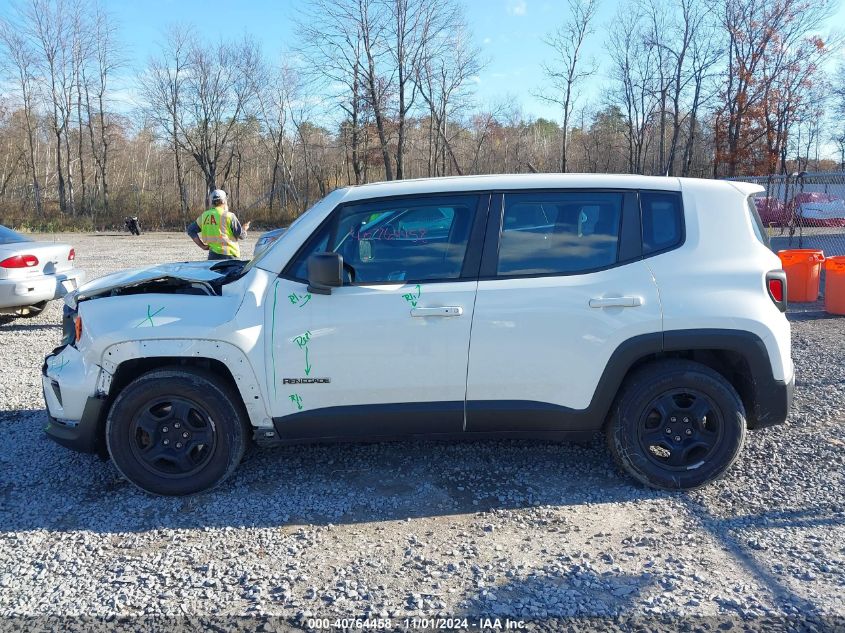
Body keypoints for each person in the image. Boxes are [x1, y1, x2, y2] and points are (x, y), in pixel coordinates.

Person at [187, 189, 251, 260]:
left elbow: (190, 230)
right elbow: (242, 236)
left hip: (213, 256)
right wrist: (244, 229)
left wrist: (202, 246)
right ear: (224, 201)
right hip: (229, 256)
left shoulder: (204, 216)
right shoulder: (229, 216)